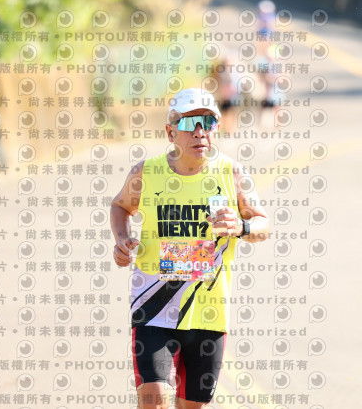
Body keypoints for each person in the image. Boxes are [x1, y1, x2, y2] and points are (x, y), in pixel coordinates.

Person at [110, 88, 270, 409]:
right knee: (153, 398)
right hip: (153, 308)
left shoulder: (231, 173)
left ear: (216, 128)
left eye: (207, 122)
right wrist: (122, 239)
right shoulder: (146, 172)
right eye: (188, 123)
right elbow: (120, 206)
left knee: (191, 406)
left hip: (209, 313)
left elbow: (263, 224)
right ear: (171, 132)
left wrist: (241, 226)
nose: (199, 132)